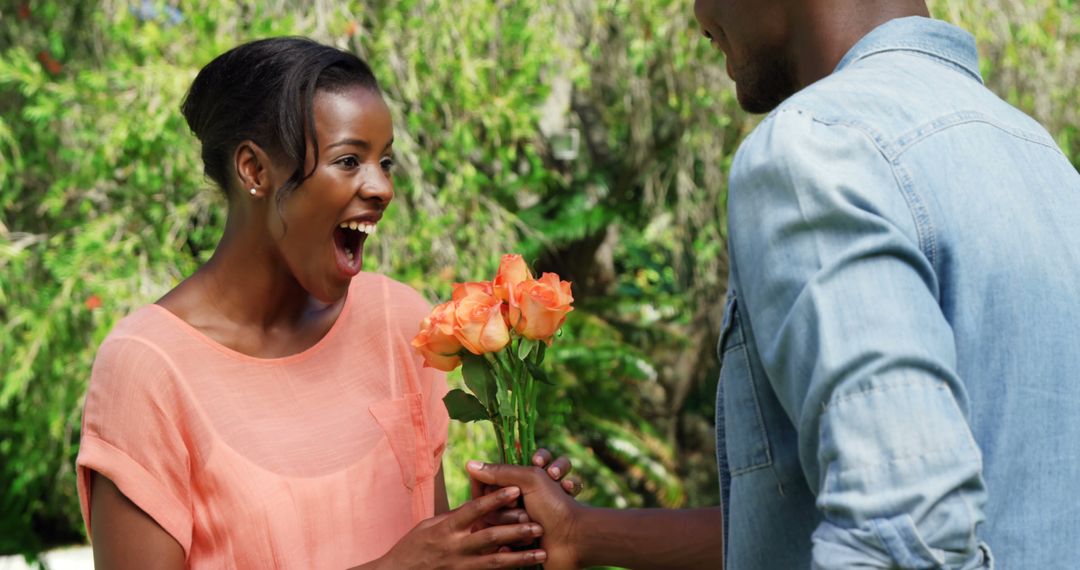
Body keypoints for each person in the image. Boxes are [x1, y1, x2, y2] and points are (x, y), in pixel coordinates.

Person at [466, 0, 1080, 568]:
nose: (700, 18)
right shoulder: (1043, 162)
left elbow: (904, 528)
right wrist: (581, 531)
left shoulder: (818, 146)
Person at [75, 37, 572, 569]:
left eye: (386, 161)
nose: (381, 187)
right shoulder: (146, 368)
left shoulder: (398, 322)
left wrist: (484, 540)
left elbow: (424, 551)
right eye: (350, 160)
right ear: (254, 171)